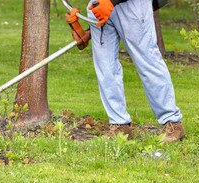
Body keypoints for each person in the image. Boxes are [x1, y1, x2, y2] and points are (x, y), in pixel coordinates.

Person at [66, 0, 185, 142]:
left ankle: (173, 123)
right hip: (98, 6)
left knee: (147, 61)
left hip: (131, 4)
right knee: (105, 66)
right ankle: (119, 125)